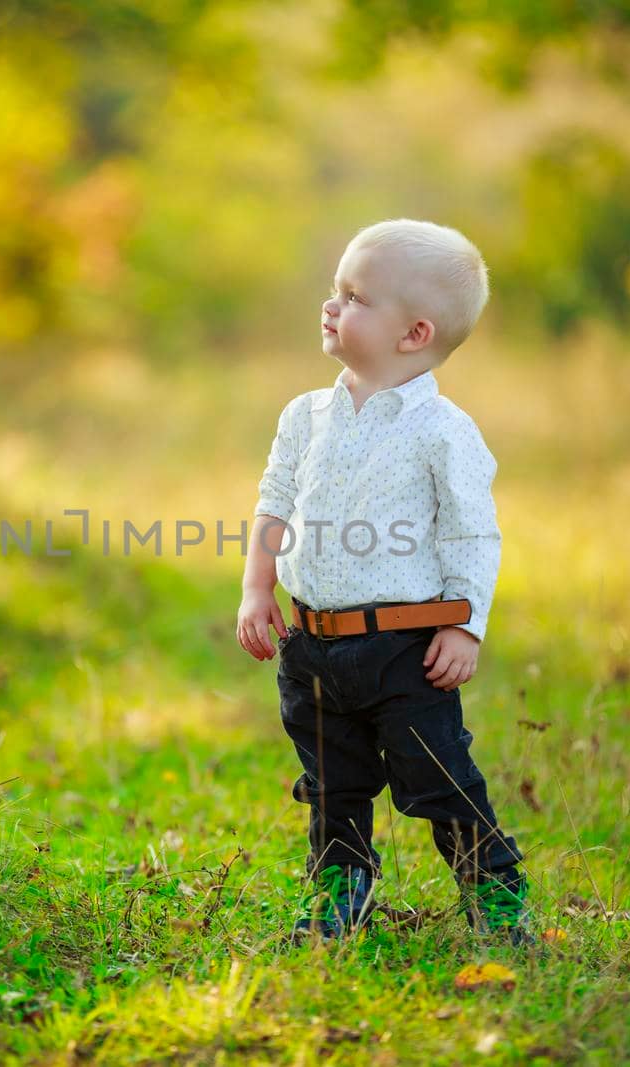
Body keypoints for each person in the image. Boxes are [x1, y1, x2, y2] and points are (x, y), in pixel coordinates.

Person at [235, 218, 531, 946]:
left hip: (405, 649)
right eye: (336, 290)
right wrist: (256, 588)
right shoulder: (305, 415)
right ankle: (342, 881)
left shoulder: (442, 430)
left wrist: (465, 624)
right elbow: (273, 500)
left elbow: (470, 532)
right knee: (331, 779)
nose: (332, 305)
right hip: (312, 645)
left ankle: (494, 884)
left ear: (414, 333)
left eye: (355, 296)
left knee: (434, 775)